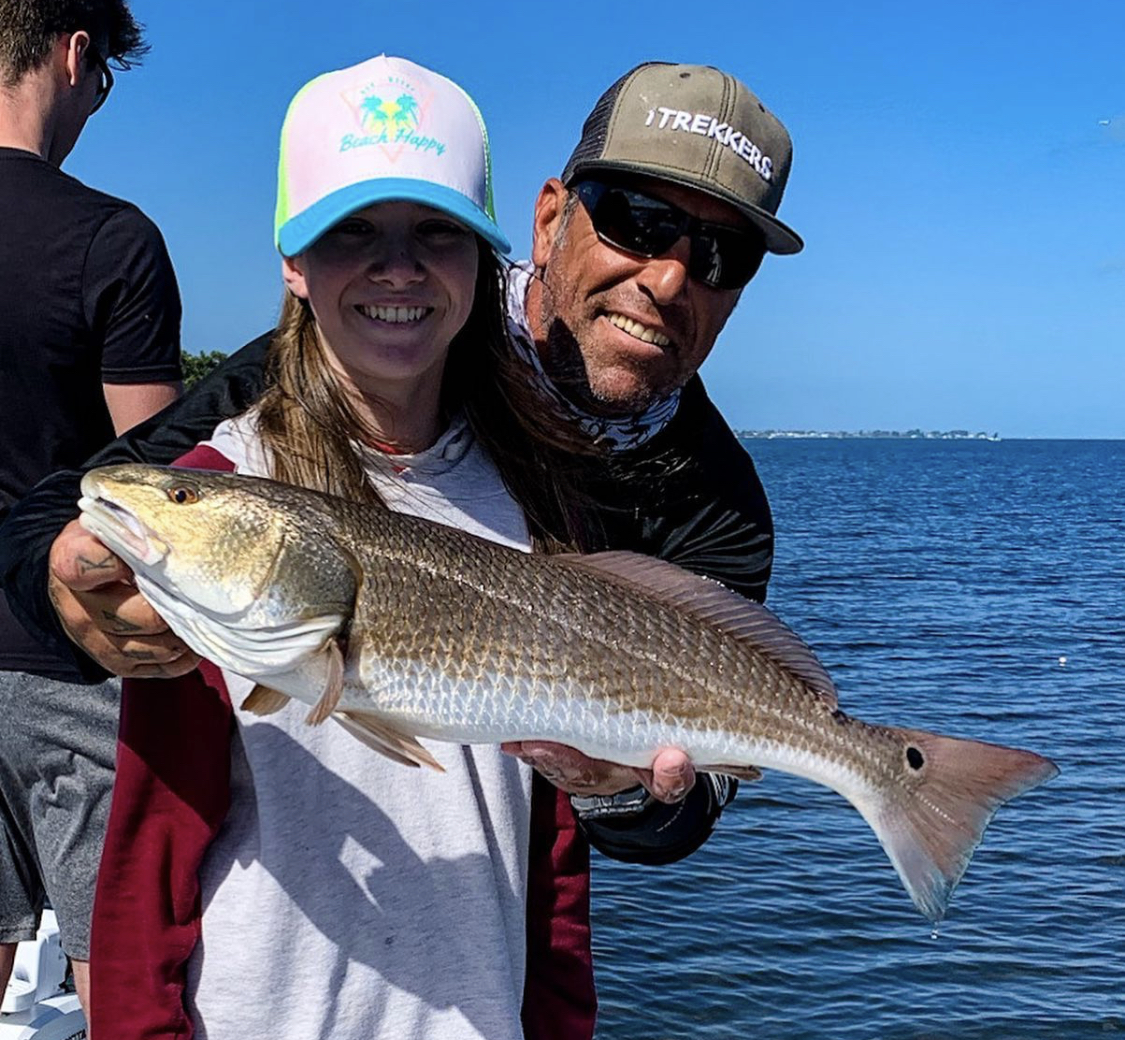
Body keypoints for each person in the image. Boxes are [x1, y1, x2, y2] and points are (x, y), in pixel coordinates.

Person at [0, 60, 803, 1036]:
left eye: (723, 255)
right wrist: (56, 572)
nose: (671, 275)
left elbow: (670, 806)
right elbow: (110, 493)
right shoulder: (308, 405)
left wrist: (624, 796)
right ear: (549, 220)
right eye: (635, 216)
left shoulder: (710, 506)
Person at [0, 0, 181, 1016]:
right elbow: (159, 509)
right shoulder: (112, 241)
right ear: (75, 57)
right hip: (69, 662)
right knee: (117, 973)